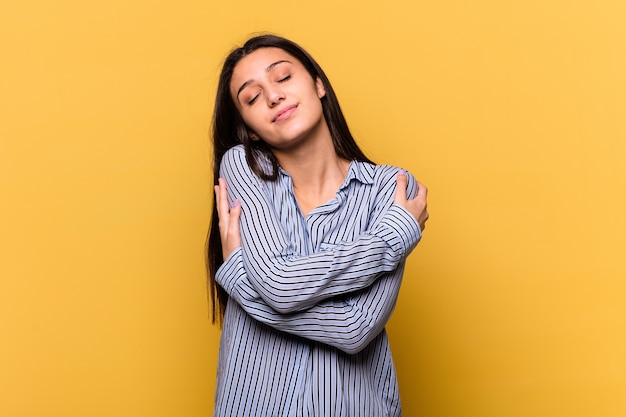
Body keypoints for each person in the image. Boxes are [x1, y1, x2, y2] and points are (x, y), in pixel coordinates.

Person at [207, 34, 429, 417]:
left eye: (283, 77)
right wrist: (393, 236)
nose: (273, 96)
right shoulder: (243, 168)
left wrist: (242, 280)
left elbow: (354, 329)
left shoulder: (389, 190)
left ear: (318, 84)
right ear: (251, 128)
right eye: (252, 97)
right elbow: (280, 286)